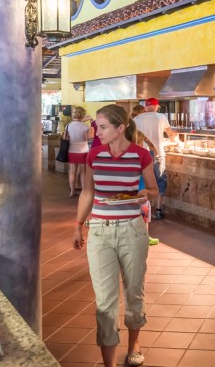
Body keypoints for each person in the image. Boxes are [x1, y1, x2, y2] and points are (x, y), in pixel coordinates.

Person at [73, 104, 158, 367]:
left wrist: (142, 194)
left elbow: (153, 190)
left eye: (103, 126)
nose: (96, 131)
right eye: (97, 126)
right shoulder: (94, 156)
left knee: (134, 291)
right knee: (105, 301)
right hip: (99, 229)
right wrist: (78, 224)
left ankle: (134, 345)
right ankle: (108, 363)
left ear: (121, 128)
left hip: (132, 229)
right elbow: (87, 192)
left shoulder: (141, 155)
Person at [133, 98, 174, 220]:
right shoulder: (161, 117)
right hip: (157, 154)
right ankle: (159, 210)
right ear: (156, 106)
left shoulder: (137, 119)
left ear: (146, 107)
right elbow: (170, 133)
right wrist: (179, 143)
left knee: (143, 183)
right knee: (160, 181)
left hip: (140, 155)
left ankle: (145, 210)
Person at [66, 106, 92, 197]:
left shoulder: (69, 125)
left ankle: (72, 191)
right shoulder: (85, 126)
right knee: (83, 171)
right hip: (83, 150)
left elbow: (67, 138)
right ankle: (83, 191)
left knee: (72, 171)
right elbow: (86, 138)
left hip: (72, 150)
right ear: (83, 115)